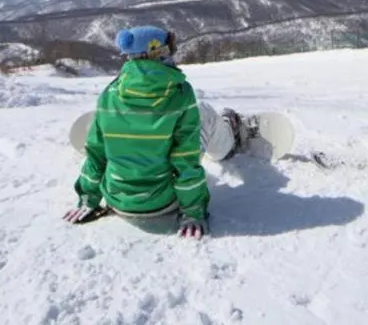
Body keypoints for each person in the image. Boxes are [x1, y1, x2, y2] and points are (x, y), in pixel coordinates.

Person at [62, 25, 256, 238]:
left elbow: (97, 156)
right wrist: (193, 212)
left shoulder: (109, 94)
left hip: (118, 201)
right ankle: (232, 136)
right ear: (158, 52)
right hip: (164, 202)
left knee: (106, 135)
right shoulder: (181, 94)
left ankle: (123, 143)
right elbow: (185, 161)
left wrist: (87, 199)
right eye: (170, 47)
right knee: (204, 112)